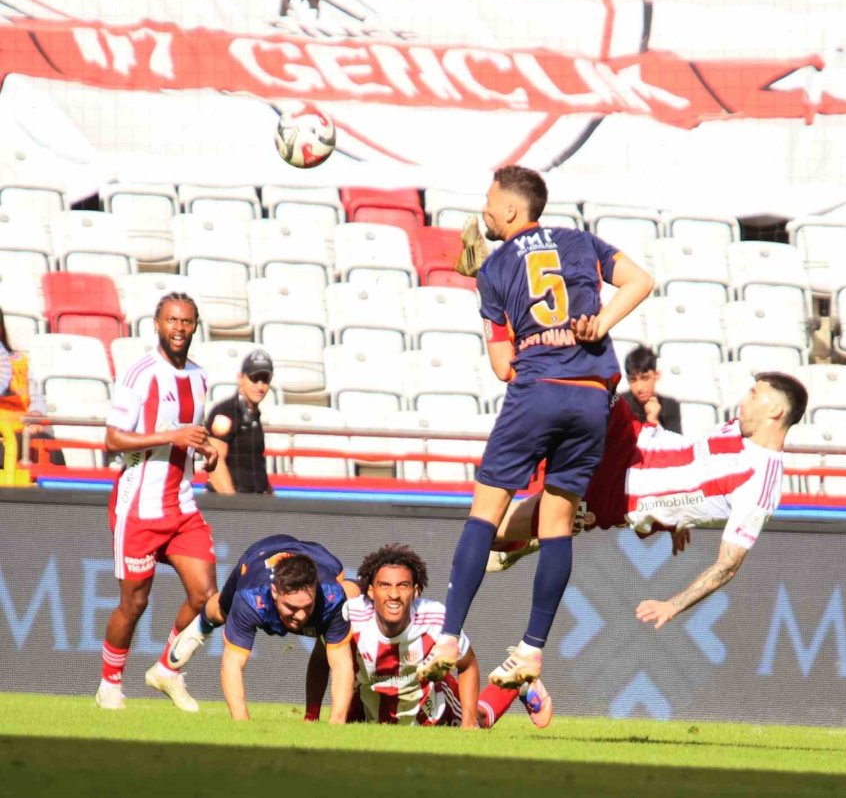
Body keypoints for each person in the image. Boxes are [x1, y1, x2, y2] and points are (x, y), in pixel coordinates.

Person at [418, 165, 654, 689]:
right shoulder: (581, 240)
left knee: (485, 513)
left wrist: (490, 293)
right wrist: (601, 324)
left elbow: (504, 367)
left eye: (488, 200)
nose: (484, 209)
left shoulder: (496, 266)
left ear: (509, 210)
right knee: (556, 522)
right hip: (593, 394)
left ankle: (450, 636)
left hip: (538, 391)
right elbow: (642, 280)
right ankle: (530, 650)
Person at [488, 372, 808, 630]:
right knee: (590, 377)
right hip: (631, 438)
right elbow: (696, 470)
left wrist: (673, 605)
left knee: (496, 533)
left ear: (775, 411)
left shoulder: (762, 485)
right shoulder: (738, 428)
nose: (742, 401)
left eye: (753, 394)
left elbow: (728, 564)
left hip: (616, 495)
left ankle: (523, 543)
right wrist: (676, 518)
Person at [95, 292, 218, 712]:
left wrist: (208, 446)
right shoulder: (140, 373)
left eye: (186, 322)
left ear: (195, 325)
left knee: (207, 598)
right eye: (172, 321)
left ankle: (167, 669)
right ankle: (109, 685)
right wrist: (173, 436)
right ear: (157, 324)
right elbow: (112, 440)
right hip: (140, 506)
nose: (179, 329)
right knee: (135, 602)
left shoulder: (201, 376)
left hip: (182, 505)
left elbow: (190, 433)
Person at [307, 543, 553, 728]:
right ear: (370, 591)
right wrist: (312, 716)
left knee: (479, 719)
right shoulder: (351, 616)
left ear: (415, 592)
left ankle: (516, 685)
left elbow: (467, 665)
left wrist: (467, 727)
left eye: (402, 586)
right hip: (367, 712)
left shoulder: (435, 618)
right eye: (385, 585)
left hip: (430, 711)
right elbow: (320, 660)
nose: (393, 595)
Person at [164, 534, 356, 722]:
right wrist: (242, 723)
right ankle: (200, 627)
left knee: (350, 593)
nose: (301, 616)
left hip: (320, 557)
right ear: (274, 591)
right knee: (222, 611)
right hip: (260, 554)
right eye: (291, 607)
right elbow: (232, 664)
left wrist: (336, 723)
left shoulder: (332, 596)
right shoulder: (249, 598)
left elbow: (341, 664)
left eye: (307, 606)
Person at [0, 307, 65, 467]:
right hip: (3, 434)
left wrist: (36, 413)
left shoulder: (20, 361)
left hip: (22, 428)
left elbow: (36, 397)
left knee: (49, 446)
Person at [205, 349, 274, 494]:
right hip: (232, 506)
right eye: (254, 379)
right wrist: (234, 507)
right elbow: (215, 463)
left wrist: (270, 496)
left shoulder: (254, 415)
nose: (260, 386)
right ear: (240, 378)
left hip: (254, 503)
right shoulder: (225, 412)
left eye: (265, 380)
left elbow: (255, 464)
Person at [622, 345, 682, 433]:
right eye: (633, 380)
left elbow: (676, 444)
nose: (639, 388)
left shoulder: (669, 405)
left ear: (656, 375)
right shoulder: (620, 405)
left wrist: (654, 421)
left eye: (645, 378)